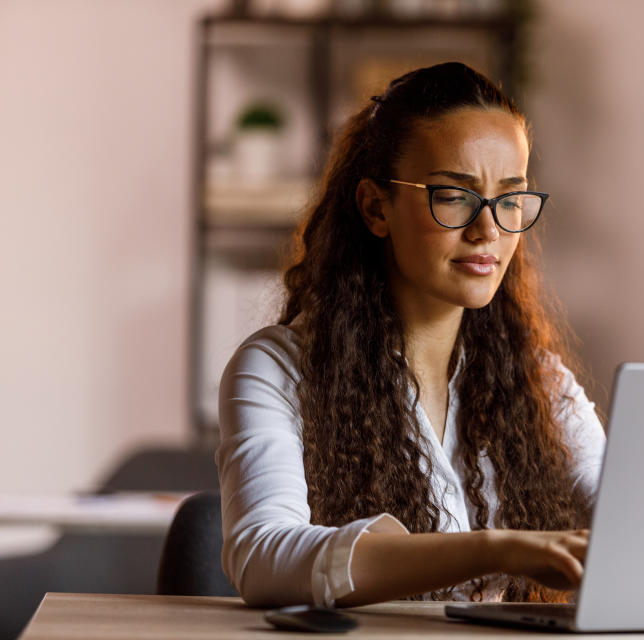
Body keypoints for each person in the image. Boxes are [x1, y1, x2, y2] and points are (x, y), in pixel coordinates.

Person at [216, 62, 606, 609]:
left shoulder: (539, 379)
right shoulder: (277, 369)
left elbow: (623, 515)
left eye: (510, 198)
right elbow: (264, 557)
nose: (488, 230)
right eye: (454, 195)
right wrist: (494, 550)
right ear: (378, 207)